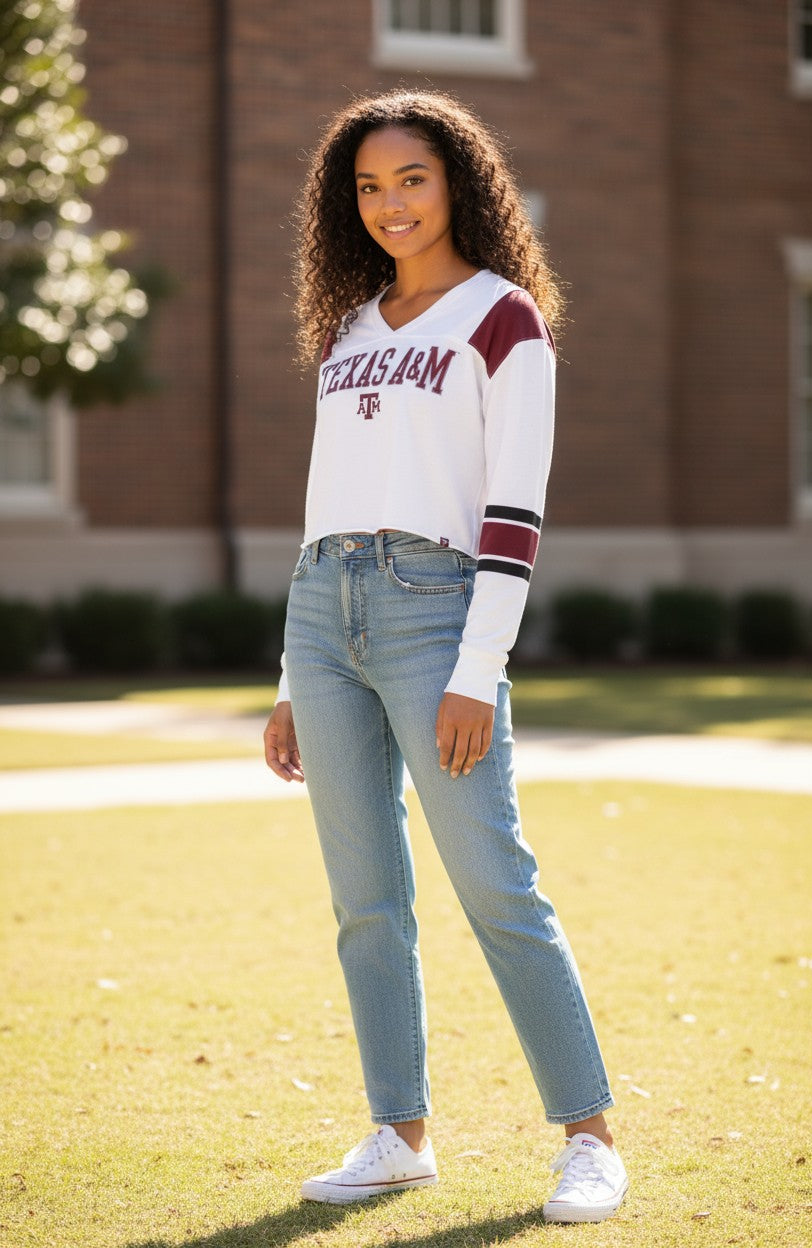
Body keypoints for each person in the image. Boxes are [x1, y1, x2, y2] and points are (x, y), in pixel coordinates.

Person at [263, 89, 628, 1225]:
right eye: (367, 187)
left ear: (457, 182)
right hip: (327, 610)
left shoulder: (501, 316)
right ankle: (399, 1135)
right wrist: (287, 676)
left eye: (410, 179)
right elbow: (324, 498)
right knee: (364, 900)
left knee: (495, 884)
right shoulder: (350, 329)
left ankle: (587, 1139)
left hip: (436, 609)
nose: (390, 204)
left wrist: (480, 663)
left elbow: (515, 506)